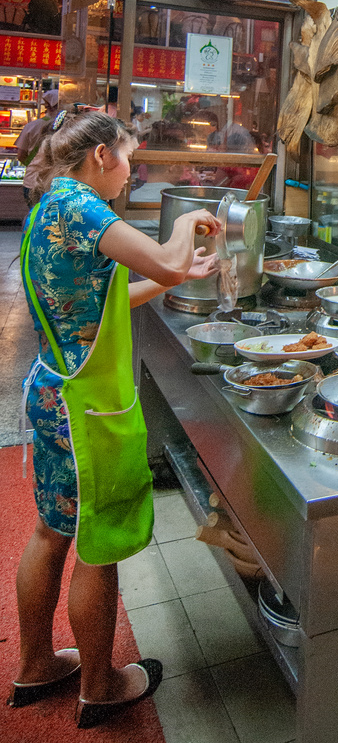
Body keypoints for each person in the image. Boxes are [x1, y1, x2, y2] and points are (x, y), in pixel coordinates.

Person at [9, 111, 221, 728]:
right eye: (129, 160)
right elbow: (169, 262)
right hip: (86, 406)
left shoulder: (54, 201)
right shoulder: (85, 208)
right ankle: (99, 685)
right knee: (97, 546)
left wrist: (169, 274)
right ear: (102, 155)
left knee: (52, 532)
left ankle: (36, 664)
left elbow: (99, 299)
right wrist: (183, 227)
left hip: (56, 387)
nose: (130, 175)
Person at [15, 89, 60, 206]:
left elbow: (21, 155)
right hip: (55, 184)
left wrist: (36, 165)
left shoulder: (31, 126)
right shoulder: (67, 127)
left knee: (34, 217)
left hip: (32, 181)